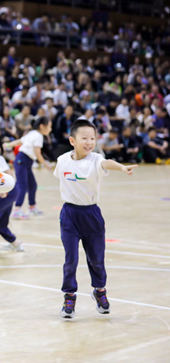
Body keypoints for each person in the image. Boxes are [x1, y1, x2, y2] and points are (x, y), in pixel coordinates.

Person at [54, 120, 138, 319]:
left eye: (92, 138)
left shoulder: (96, 159)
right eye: (84, 138)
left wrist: (121, 167)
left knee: (97, 259)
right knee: (71, 259)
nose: (89, 142)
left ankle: (99, 291)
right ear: (72, 140)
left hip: (91, 215)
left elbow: (105, 163)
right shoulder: (62, 160)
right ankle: (69, 296)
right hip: (69, 215)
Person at [4, 117, 54, 219]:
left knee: (32, 185)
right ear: (42, 126)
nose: (50, 129)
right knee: (23, 187)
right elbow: (37, 153)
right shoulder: (38, 136)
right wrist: (46, 164)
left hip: (25, 162)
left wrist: (9, 144)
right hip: (22, 161)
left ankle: (32, 207)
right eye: (49, 126)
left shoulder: (32, 133)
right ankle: (17, 210)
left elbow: (19, 141)